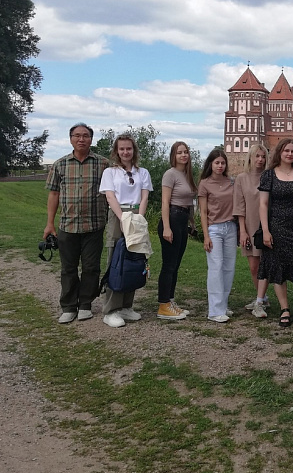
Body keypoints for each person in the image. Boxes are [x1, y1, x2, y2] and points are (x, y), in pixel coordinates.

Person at [44, 122, 109, 323]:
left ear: (91, 139)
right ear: (71, 139)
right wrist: (49, 224)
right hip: (68, 225)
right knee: (68, 268)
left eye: (85, 136)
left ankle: (86, 304)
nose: (81, 139)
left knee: (91, 267)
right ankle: (69, 306)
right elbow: (54, 194)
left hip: (94, 225)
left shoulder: (104, 164)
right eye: (77, 135)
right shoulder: (60, 165)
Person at [258, 138, 293, 327]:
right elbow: (263, 204)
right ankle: (284, 308)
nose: (289, 154)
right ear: (279, 153)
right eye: (286, 151)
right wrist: (266, 230)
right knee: (278, 267)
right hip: (277, 226)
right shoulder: (269, 175)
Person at [98, 134, 152, 328]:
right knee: (116, 259)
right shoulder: (110, 173)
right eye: (122, 149)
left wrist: (138, 219)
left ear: (133, 150)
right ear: (117, 151)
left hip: (136, 214)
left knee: (134, 258)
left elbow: (144, 197)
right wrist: (123, 219)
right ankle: (111, 310)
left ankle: (126, 306)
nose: (125, 152)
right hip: (118, 214)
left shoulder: (142, 173)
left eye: (128, 148)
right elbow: (110, 197)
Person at [157, 141, 196, 321]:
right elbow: (165, 202)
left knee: (176, 264)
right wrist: (166, 227)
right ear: (174, 155)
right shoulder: (170, 174)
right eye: (180, 152)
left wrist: (192, 222)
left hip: (182, 219)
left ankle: (170, 300)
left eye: (185, 152)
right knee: (169, 264)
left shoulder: (187, 175)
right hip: (171, 219)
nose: (183, 155)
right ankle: (163, 305)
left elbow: (189, 202)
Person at [198, 148, 237, 323]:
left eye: (222, 163)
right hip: (214, 229)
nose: (220, 166)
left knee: (229, 268)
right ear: (211, 164)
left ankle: (223, 304)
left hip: (230, 227)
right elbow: (203, 211)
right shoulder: (205, 184)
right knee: (216, 268)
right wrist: (206, 236)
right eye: (217, 163)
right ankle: (214, 310)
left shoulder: (231, 182)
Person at [234, 144, 271, 318]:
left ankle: (260, 300)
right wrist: (242, 230)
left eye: (263, 157)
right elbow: (239, 206)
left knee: (266, 264)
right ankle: (262, 298)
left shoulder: (269, 176)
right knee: (254, 267)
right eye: (257, 156)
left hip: (267, 225)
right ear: (250, 157)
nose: (260, 160)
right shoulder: (242, 178)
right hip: (249, 225)